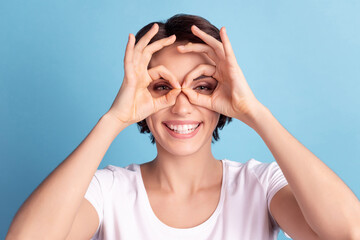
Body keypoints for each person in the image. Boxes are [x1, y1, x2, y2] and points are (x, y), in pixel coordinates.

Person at [6, 13, 360, 240]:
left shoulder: (260, 185)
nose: (180, 104)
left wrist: (254, 112)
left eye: (202, 86)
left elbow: (348, 232)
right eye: (162, 87)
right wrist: (113, 119)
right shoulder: (107, 190)